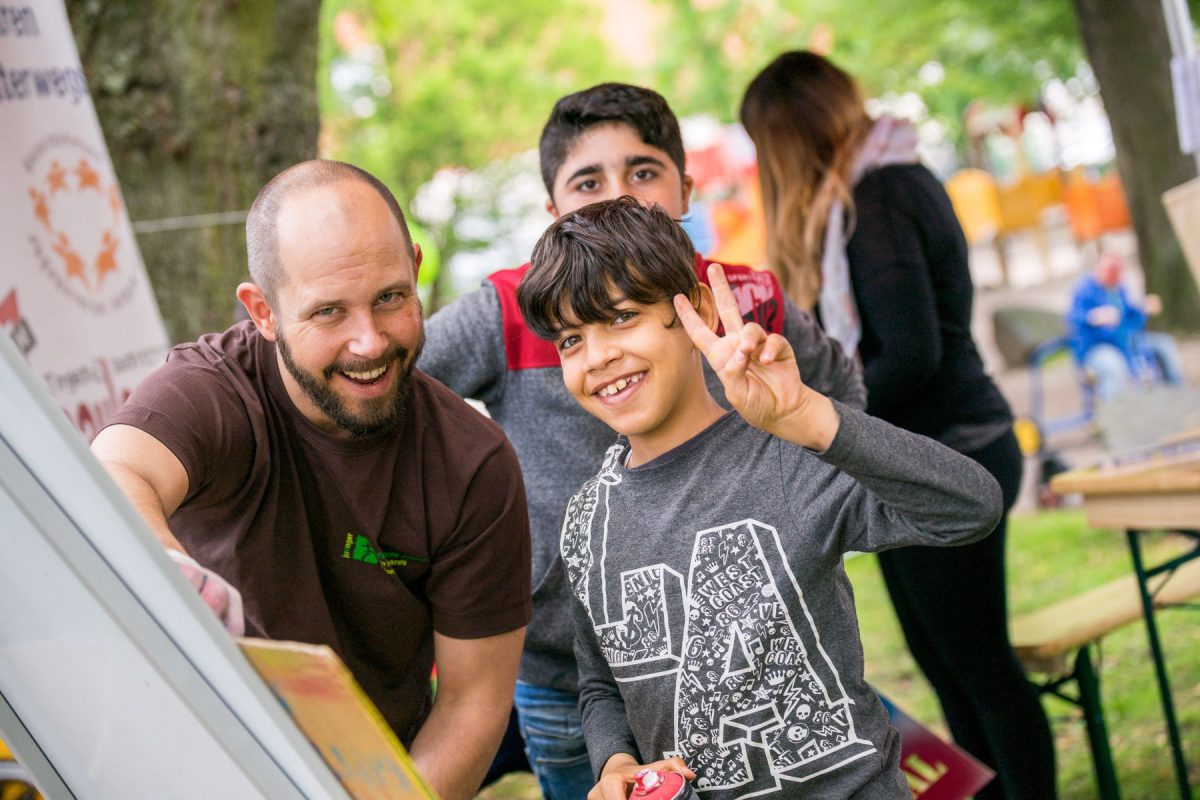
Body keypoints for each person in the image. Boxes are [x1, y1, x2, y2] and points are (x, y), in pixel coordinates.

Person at [419, 82, 866, 799]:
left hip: (746, 671)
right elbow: (382, 389)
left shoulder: (748, 301)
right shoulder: (506, 311)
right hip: (568, 677)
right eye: (587, 181)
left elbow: (839, 399)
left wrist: (798, 519)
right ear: (552, 210)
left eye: (644, 172)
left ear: (685, 189)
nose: (616, 196)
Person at [516, 197, 1003, 799]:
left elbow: (971, 508)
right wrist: (615, 762)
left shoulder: (789, 456)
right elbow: (601, 684)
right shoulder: (587, 519)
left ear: (692, 309)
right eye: (569, 340)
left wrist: (812, 417)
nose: (597, 357)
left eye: (620, 318)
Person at [90, 160, 531, 800]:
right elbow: (117, 471)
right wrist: (169, 577)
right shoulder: (213, 387)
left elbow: (471, 705)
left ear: (413, 267)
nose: (368, 342)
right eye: (328, 312)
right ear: (263, 311)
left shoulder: (474, 463)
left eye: (390, 297)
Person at [739, 51, 1057, 799]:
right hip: (919, 453)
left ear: (787, 137)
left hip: (945, 452)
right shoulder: (881, 186)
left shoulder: (878, 197)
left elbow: (912, 352)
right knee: (951, 664)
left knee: (979, 665)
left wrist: (815, 422)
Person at [1067, 250, 1185, 400]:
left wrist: (1143, 309)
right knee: (1114, 366)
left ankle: (1177, 396)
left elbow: (1129, 319)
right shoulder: (1083, 290)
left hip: (1126, 343)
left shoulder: (1118, 289)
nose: (1115, 276)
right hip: (1095, 348)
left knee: (1164, 345)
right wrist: (1093, 317)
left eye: (1118, 271)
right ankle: (1115, 414)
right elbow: (1075, 319)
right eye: (1111, 271)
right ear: (1099, 269)